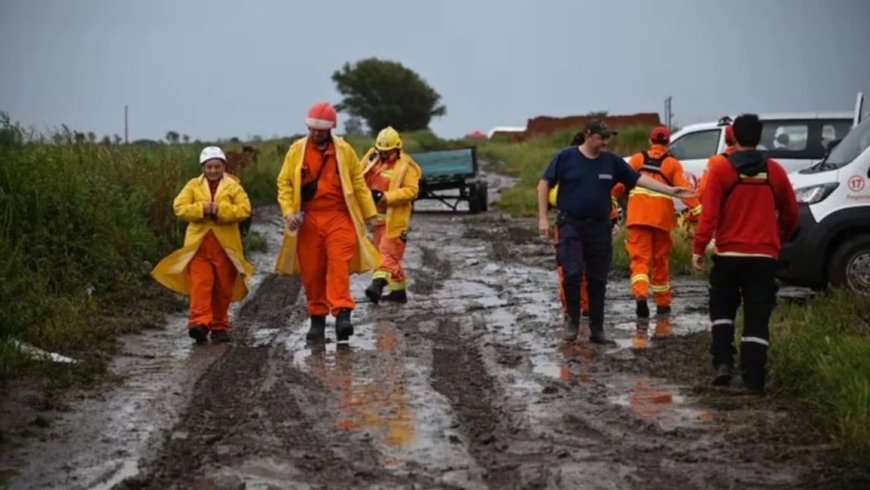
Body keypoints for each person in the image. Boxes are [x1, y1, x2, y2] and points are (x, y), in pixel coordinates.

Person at [538, 120, 695, 344]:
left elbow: (639, 179)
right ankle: (572, 320)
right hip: (571, 224)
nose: (606, 142)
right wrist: (543, 218)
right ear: (587, 135)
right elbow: (544, 183)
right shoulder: (566, 157)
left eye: (608, 138)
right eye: (601, 137)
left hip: (599, 227)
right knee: (571, 273)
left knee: (597, 278)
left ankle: (597, 329)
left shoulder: (611, 161)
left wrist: (670, 190)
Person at [691, 113, 799, 394]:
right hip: (764, 258)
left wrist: (698, 248)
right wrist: (775, 239)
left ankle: (723, 364)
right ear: (760, 137)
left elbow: (709, 217)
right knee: (757, 316)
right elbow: (791, 213)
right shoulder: (775, 171)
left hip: (728, 256)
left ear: (733, 136)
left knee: (722, 310)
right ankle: (754, 377)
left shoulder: (721, 170)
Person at [275, 101, 380, 343]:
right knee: (312, 272)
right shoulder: (296, 151)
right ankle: (317, 321)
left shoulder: (344, 151)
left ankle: (343, 315)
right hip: (308, 219)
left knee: (339, 265)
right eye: (312, 129)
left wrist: (370, 215)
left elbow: (358, 183)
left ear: (330, 129)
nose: (315, 134)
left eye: (320, 131)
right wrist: (289, 213)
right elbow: (285, 184)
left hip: (339, 217)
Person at [151, 146, 254, 344]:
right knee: (200, 285)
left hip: (225, 248)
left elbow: (244, 209)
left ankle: (219, 326)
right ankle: (199, 323)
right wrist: (202, 209)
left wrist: (220, 210)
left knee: (222, 289)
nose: (213, 170)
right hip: (198, 247)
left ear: (223, 167)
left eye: (217, 166)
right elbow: (179, 208)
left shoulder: (234, 187)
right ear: (203, 168)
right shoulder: (192, 185)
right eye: (209, 167)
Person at [612, 126, 702, 318]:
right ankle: (662, 304)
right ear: (668, 143)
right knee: (660, 261)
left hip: (638, 219)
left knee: (640, 260)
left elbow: (619, 185)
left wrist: (608, 198)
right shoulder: (672, 164)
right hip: (661, 220)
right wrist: (699, 213)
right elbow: (684, 190)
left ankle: (641, 296)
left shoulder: (637, 159)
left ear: (650, 141)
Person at [550, 131, 621, 320]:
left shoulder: (570, 165)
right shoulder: (571, 165)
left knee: (573, 271)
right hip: (574, 225)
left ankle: (576, 310)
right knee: (575, 270)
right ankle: (579, 309)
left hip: (577, 226)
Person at [361, 126, 422, 304]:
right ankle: (398, 291)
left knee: (386, 255)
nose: (384, 155)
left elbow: (412, 191)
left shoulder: (406, 166)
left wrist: (385, 197)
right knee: (385, 253)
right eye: (381, 151)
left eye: (387, 152)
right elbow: (358, 175)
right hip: (376, 219)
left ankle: (377, 285)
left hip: (395, 221)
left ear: (397, 149)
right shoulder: (372, 157)